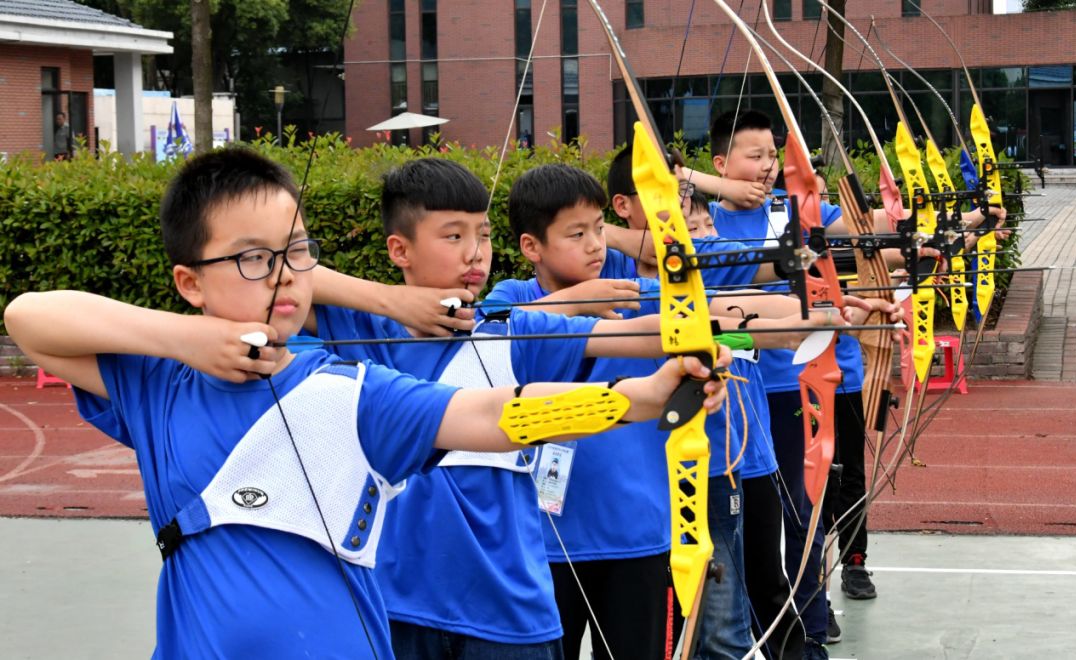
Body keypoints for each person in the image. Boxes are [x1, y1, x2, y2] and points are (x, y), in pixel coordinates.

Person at [3, 147, 730, 659]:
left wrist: (637, 398)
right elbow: (30, 316)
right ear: (191, 282)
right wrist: (188, 341)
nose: (286, 275)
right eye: (255, 258)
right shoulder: (159, 384)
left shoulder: (348, 389)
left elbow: (492, 414)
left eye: (297, 253)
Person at [304, 157, 735, 659]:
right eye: (453, 236)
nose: (475, 253)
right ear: (399, 249)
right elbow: (276, 274)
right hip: (395, 606)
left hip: (507, 612)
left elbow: (633, 332)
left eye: (483, 236)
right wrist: (390, 302)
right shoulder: (366, 332)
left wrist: (694, 342)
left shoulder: (513, 331)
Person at [486, 162, 864, 660]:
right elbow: (485, 328)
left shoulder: (634, 298)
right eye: (576, 234)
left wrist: (824, 314)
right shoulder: (514, 299)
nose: (596, 244)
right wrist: (576, 302)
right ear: (531, 247)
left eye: (599, 229)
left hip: (640, 538)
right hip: (542, 543)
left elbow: (722, 311)